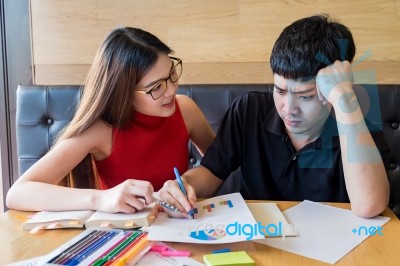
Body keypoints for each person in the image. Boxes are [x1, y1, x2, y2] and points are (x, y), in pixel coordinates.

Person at [159, 14, 390, 218]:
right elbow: (211, 171)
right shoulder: (250, 109)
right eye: (280, 91)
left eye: (305, 96)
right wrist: (185, 184)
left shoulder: (355, 125)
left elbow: (369, 205)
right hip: (258, 241)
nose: (288, 108)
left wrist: (343, 97)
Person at [6, 27, 215, 214]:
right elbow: (17, 193)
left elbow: (220, 167)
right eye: (156, 87)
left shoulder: (185, 109)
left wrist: (188, 183)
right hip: (124, 236)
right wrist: (101, 198)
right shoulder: (101, 130)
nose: (171, 90)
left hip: (180, 228)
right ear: (124, 92)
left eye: (172, 75)